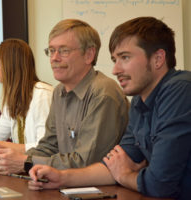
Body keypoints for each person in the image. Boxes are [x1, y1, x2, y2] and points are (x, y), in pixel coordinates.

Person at [28, 17, 191, 200]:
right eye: (115, 59)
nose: (115, 70)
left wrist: (125, 176)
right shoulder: (139, 100)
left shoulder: (181, 89)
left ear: (158, 59)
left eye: (125, 57)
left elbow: (159, 184)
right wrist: (62, 178)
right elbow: (114, 165)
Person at [0, 19, 129, 175]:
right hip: (66, 184)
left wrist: (26, 162)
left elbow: (86, 162)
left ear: (89, 54)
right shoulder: (59, 92)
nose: (54, 58)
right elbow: (49, 147)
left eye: (64, 51)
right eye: (51, 50)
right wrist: (17, 160)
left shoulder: (103, 93)